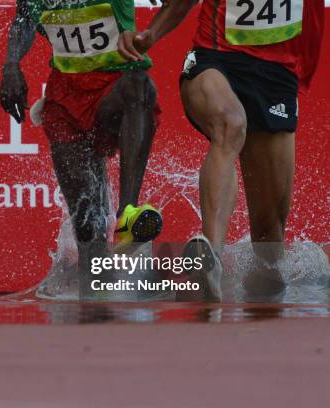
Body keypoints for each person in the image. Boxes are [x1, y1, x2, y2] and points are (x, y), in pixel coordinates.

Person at [118, 0, 325, 301]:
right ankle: (210, 258)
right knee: (231, 124)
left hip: (277, 76)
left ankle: (265, 295)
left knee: (269, 245)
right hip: (215, 59)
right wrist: (151, 34)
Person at [0, 0, 166, 296]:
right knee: (88, 226)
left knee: (139, 85)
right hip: (67, 98)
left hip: (114, 88)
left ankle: (127, 213)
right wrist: (12, 65)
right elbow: (24, 19)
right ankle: (96, 302)